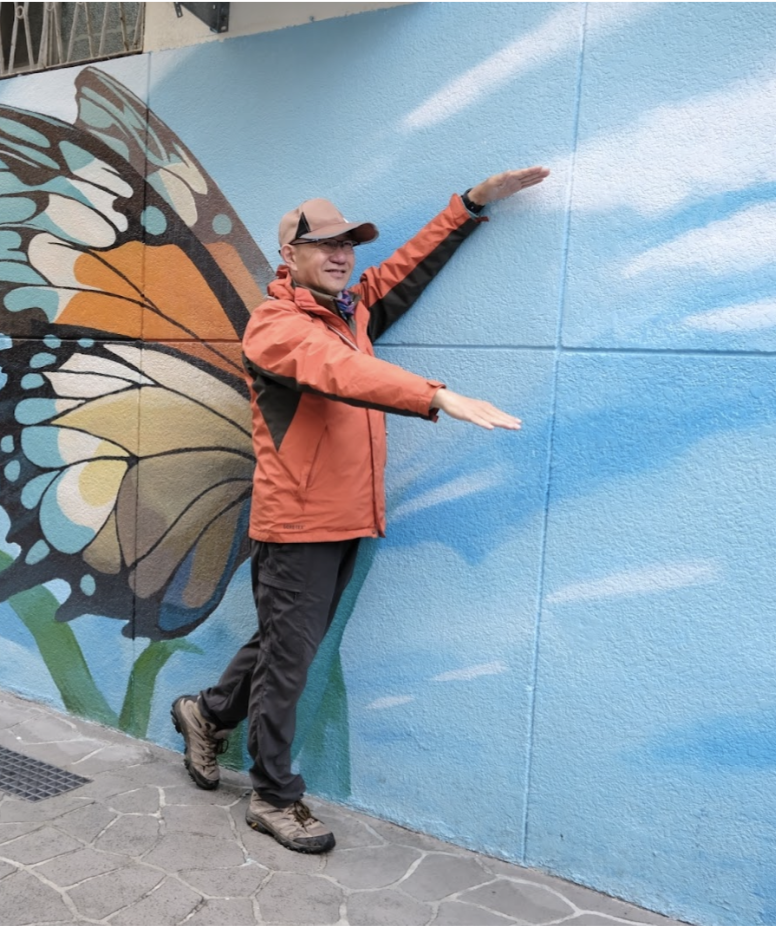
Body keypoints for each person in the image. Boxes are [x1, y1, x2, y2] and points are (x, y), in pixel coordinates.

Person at [171, 167, 549, 854]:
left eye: (349, 244)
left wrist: (467, 206)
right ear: (289, 255)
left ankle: (206, 712)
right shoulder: (278, 329)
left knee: (289, 642)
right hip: (298, 524)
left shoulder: (352, 310)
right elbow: (342, 373)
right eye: (324, 245)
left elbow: (406, 268)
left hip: (349, 517)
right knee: (292, 659)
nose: (342, 255)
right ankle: (272, 795)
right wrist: (436, 396)